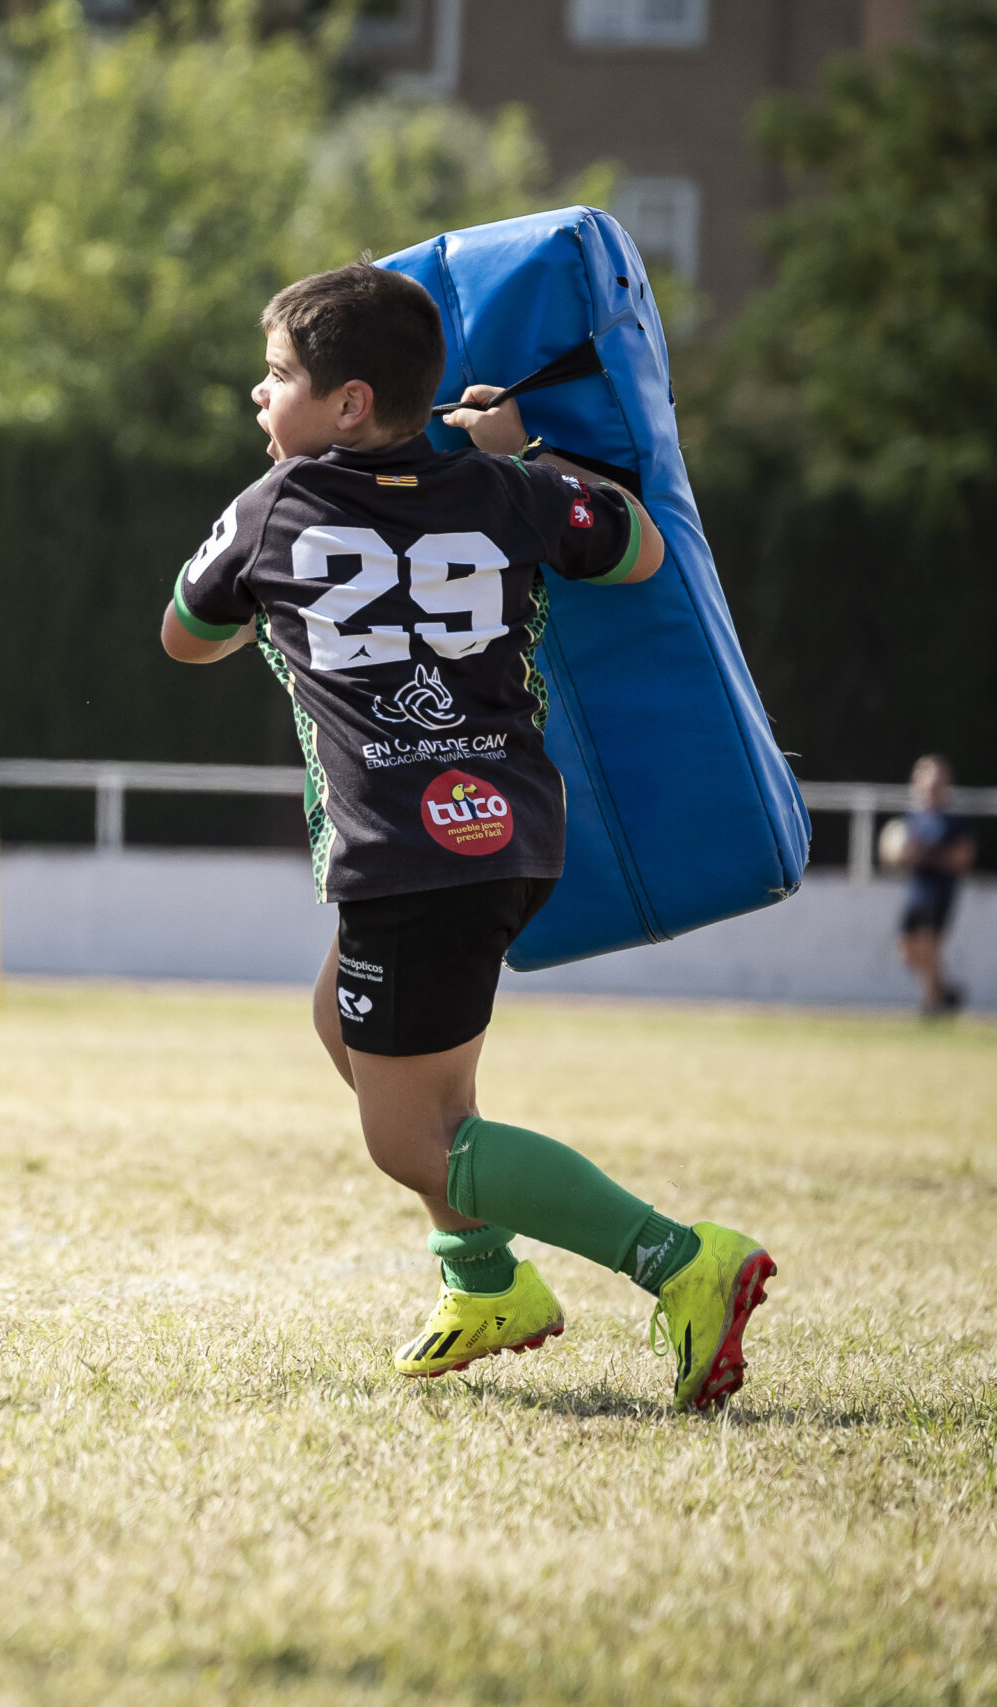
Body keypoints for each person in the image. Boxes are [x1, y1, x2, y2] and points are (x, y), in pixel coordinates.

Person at [160, 261, 774, 1412]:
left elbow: (184, 635)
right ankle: (482, 1281)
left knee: (410, 1141)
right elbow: (638, 548)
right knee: (341, 1025)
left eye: (278, 374)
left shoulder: (273, 509)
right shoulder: (509, 493)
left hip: (404, 853)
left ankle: (686, 1263)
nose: (257, 394)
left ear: (346, 404)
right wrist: (522, 457)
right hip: (507, 837)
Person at [888, 754, 974, 1015]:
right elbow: (896, 856)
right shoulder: (912, 818)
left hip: (939, 892)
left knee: (928, 946)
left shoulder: (953, 820)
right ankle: (947, 993)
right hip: (916, 891)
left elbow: (962, 858)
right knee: (908, 953)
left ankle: (931, 1005)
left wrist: (925, 854)